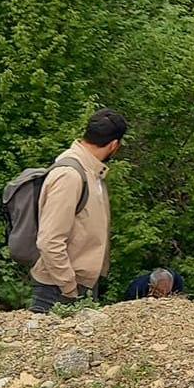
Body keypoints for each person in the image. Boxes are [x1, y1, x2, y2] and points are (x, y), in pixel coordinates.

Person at [30, 109, 127, 313]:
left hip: (79, 285)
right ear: (114, 145)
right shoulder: (70, 175)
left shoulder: (91, 171)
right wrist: (69, 287)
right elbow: (49, 240)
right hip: (58, 290)